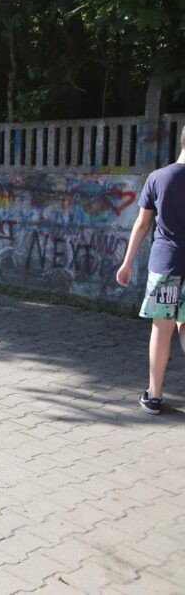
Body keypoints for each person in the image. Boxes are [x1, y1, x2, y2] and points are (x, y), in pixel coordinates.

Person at [117, 126, 185, 414]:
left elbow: (142, 223)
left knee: (162, 327)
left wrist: (127, 262)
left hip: (166, 262)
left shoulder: (158, 178)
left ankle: (154, 396)